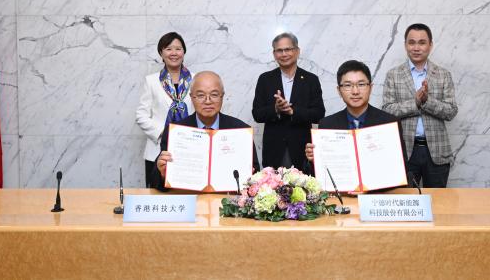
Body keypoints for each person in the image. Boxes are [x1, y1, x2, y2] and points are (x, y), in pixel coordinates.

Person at [153, 71, 260, 191]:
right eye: (200, 95)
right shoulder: (176, 131)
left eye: (214, 95)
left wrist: (250, 177)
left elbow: (256, 176)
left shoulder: (241, 130)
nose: (208, 101)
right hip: (189, 200)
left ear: (222, 96)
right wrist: (162, 173)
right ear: (191, 97)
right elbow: (157, 184)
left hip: (229, 203)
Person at [383, 23, 458, 188]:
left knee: (439, 206)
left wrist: (427, 101)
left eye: (422, 42)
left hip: (437, 152)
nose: (416, 47)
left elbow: (451, 111)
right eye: (411, 42)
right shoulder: (393, 75)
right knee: (406, 207)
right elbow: (387, 110)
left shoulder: (443, 75)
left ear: (430, 45)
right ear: (405, 45)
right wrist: (416, 102)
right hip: (405, 151)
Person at [304, 60, 406, 172]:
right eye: (348, 85)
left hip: (380, 189)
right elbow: (320, 174)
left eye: (361, 84)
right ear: (339, 90)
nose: (355, 91)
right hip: (342, 189)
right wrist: (313, 160)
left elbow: (401, 168)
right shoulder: (327, 124)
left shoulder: (389, 123)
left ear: (370, 87)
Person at [252, 32, 325, 171]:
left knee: (303, 191)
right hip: (274, 149)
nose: (284, 54)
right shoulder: (265, 79)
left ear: (297, 51)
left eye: (288, 49)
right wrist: (276, 109)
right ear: (274, 54)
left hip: (302, 149)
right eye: (279, 50)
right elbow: (257, 114)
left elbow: (319, 114)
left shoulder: (311, 80)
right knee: (271, 191)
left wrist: (293, 111)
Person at [136, 32, 193, 187]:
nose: (174, 53)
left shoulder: (196, 79)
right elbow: (141, 115)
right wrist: (163, 133)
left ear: (184, 52)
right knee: (157, 194)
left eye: (178, 48)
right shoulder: (151, 81)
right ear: (161, 53)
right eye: (168, 49)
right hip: (157, 151)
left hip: (191, 149)